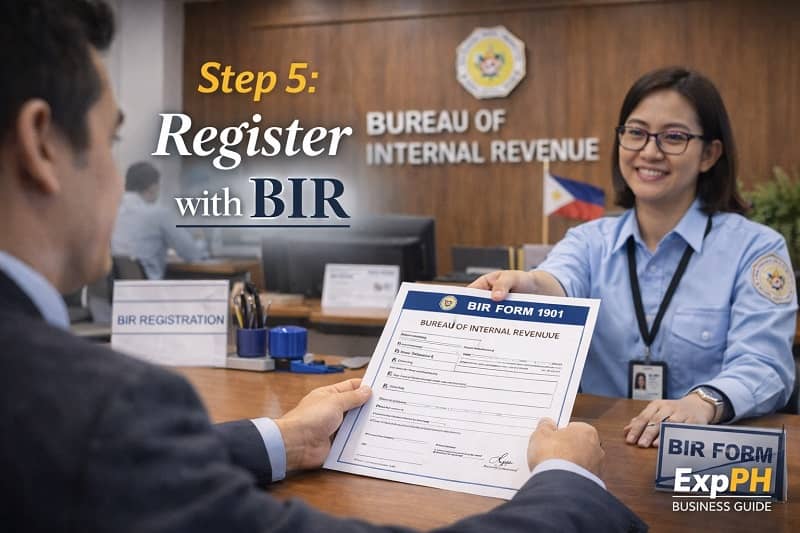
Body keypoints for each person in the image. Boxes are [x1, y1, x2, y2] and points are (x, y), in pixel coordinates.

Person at [0, 2, 646, 532]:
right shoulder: (99, 408)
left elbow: (121, 471)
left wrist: (280, 439)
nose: (119, 178)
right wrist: (566, 481)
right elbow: (109, 455)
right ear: (40, 144)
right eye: (113, 140)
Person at [473, 66, 797, 449]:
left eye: (673, 137)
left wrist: (703, 402)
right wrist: (526, 283)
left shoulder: (756, 248)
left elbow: (765, 365)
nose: (649, 151)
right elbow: (555, 281)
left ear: (710, 154)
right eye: (636, 133)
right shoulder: (589, 240)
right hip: (598, 448)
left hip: (698, 453)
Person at [111, 160, 208, 279]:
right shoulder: (159, 215)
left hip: (118, 291)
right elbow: (192, 254)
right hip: (150, 291)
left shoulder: (111, 213)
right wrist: (200, 240)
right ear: (153, 187)